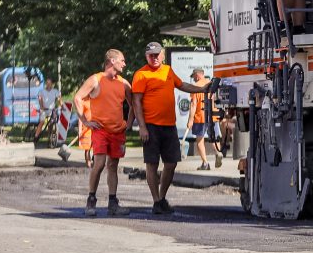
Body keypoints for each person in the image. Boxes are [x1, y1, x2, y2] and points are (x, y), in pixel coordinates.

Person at [132, 42, 209, 214]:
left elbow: (182, 85)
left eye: (157, 54)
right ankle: (157, 201)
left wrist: (201, 89)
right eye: (151, 55)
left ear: (162, 55)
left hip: (168, 125)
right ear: (146, 57)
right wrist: (142, 127)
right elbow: (136, 102)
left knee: (171, 163)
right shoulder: (141, 74)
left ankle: (161, 197)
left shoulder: (168, 71)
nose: (154, 58)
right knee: (151, 164)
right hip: (151, 126)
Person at [73, 49, 133, 217]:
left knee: (113, 166)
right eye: (122, 60)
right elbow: (78, 98)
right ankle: (91, 200)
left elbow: (134, 103)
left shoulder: (124, 83)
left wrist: (129, 123)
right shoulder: (96, 79)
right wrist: (85, 121)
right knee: (99, 164)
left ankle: (113, 203)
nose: (124, 63)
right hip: (100, 130)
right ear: (112, 61)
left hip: (117, 131)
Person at [187, 69, 222, 170]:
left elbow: (193, 104)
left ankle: (205, 163)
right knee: (214, 137)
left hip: (200, 116)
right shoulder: (211, 84)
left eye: (193, 76)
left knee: (200, 141)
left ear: (197, 75)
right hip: (213, 115)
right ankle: (218, 153)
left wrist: (190, 120)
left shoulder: (195, 87)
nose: (193, 78)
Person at [34, 76, 60, 141]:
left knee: (52, 123)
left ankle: (50, 137)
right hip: (44, 109)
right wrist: (42, 107)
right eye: (47, 83)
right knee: (42, 122)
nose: (48, 85)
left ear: (52, 84)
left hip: (51, 110)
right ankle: (36, 137)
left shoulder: (55, 91)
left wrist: (62, 105)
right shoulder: (41, 91)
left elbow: (59, 99)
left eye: (50, 83)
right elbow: (40, 99)